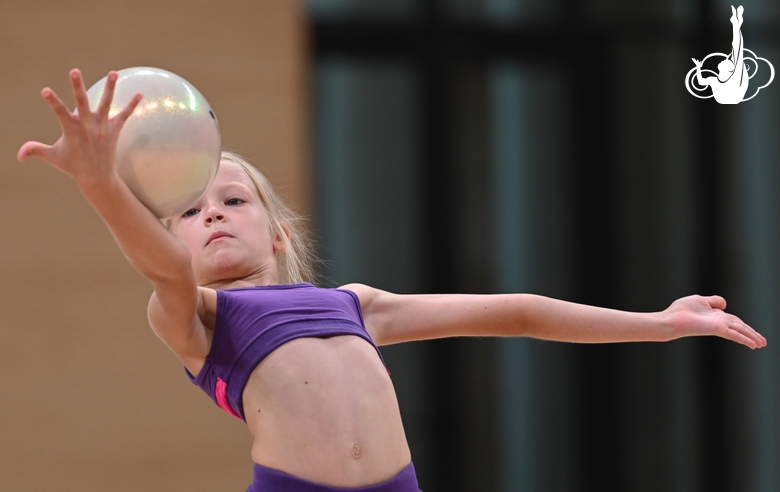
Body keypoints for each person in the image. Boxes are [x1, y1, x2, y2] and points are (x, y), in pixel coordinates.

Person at [18, 69, 767, 492]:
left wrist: (662, 321)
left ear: (277, 231)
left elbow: (518, 313)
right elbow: (158, 263)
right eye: (187, 210)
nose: (211, 215)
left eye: (233, 199)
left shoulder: (355, 305)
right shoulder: (195, 316)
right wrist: (100, 184)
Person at [692, 5, 748, 104]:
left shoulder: (733, 78)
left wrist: (736, 26)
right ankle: (736, 23)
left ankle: (736, 23)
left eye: (727, 61)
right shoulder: (715, 80)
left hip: (732, 97)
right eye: (728, 60)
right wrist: (698, 67)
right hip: (727, 98)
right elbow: (701, 82)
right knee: (736, 50)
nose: (725, 59)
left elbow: (737, 49)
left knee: (736, 50)